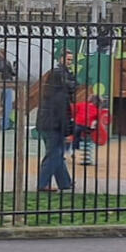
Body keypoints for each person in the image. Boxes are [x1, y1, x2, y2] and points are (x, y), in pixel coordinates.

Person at [36, 49, 76, 191]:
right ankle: (43, 183)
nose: (70, 62)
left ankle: (65, 182)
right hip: (53, 125)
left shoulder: (51, 93)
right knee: (54, 154)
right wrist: (67, 133)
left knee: (56, 152)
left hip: (46, 124)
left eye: (71, 60)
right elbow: (63, 115)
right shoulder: (60, 95)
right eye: (68, 59)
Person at [0, 47, 17, 131]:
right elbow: (13, 73)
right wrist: (14, 67)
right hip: (7, 82)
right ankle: (5, 124)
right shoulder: (6, 62)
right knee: (7, 104)